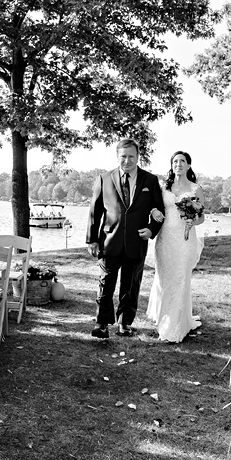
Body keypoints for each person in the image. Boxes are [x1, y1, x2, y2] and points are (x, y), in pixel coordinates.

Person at [86, 138, 165, 339]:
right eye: (123, 156)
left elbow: (159, 209)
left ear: (138, 157)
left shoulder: (150, 180)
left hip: (137, 242)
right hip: (109, 242)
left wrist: (151, 229)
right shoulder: (104, 178)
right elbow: (95, 211)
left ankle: (125, 323)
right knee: (106, 284)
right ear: (117, 157)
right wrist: (92, 240)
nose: (127, 161)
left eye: (131, 156)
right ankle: (102, 324)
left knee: (131, 286)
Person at [145, 151, 205, 342]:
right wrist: (154, 211)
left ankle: (175, 326)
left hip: (185, 240)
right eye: (175, 161)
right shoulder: (164, 187)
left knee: (180, 278)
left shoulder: (196, 189)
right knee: (164, 278)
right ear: (171, 165)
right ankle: (163, 315)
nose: (178, 164)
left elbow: (201, 216)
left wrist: (193, 222)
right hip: (165, 239)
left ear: (189, 165)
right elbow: (153, 206)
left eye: (182, 161)